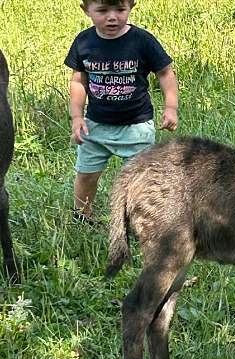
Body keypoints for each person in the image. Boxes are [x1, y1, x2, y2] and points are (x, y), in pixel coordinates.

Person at [65, 0, 178, 222]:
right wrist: (77, 117)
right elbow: (79, 81)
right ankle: (82, 217)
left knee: (142, 179)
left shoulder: (142, 41)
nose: (112, 17)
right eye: (102, 10)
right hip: (94, 126)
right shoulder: (84, 42)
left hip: (136, 126)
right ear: (86, 9)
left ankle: (141, 221)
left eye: (120, 9)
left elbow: (165, 73)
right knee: (86, 175)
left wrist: (171, 107)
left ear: (131, 6)